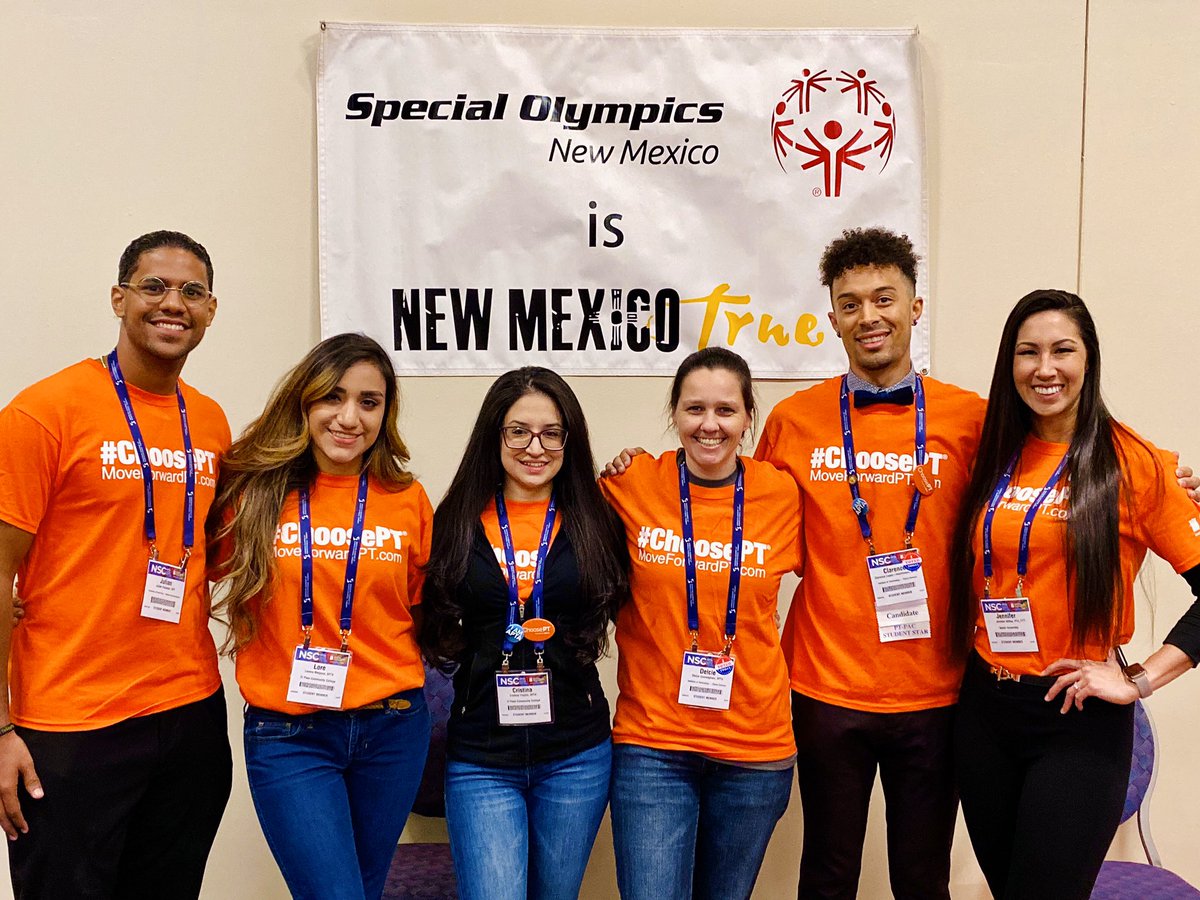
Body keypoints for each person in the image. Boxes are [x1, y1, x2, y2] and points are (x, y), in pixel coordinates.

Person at [0, 230, 232, 898]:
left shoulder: (211, 423)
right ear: (118, 297)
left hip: (188, 715)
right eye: (154, 286)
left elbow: (215, 558)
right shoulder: (47, 411)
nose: (173, 303)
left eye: (192, 291)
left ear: (210, 310)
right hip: (70, 726)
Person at [947, 289, 1200, 899]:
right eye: (1028, 352)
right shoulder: (991, 449)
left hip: (1077, 722)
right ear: (1010, 364)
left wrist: (1138, 680)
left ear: (1089, 360)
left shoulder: (1134, 463)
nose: (1045, 368)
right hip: (985, 712)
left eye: (1063, 350)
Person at [208, 333, 432, 900]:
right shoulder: (254, 491)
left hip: (393, 728)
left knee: (364, 888)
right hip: (290, 734)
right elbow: (175, 564)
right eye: (332, 397)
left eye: (369, 401)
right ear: (304, 402)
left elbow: (424, 610)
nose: (349, 417)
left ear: (387, 412)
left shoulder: (406, 499)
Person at [418, 366, 629, 900]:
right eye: (518, 431)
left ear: (569, 440)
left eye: (552, 432)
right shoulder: (456, 520)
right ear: (495, 435)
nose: (535, 447)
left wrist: (631, 465)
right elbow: (432, 622)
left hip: (575, 755)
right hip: (482, 757)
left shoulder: (597, 520)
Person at [600, 347, 803, 900]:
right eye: (694, 410)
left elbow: (839, 576)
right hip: (652, 746)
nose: (709, 425)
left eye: (726, 410)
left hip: (755, 750)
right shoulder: (632, 482)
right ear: (674, 414)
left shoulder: (784, 493)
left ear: (747, 418)